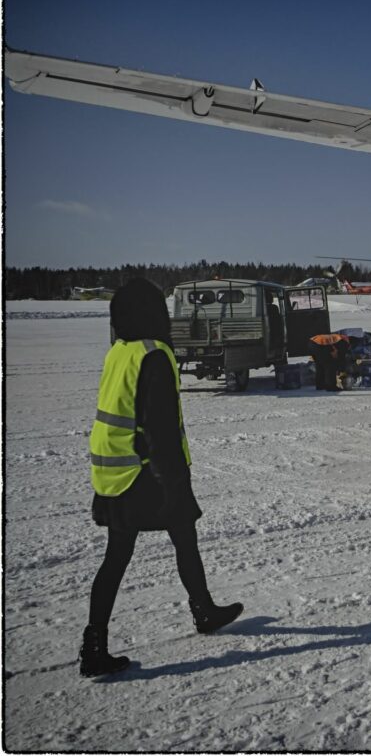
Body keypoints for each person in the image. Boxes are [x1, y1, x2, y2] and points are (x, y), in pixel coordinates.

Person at [83, 279, 242, 677]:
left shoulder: (119, 351)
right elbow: (160, 427)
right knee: (182, 537)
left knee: (120, 555)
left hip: (112, 467)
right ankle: (202, 611)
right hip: (145, 471)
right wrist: (173, 482)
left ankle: (95, 643)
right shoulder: (155, 354)